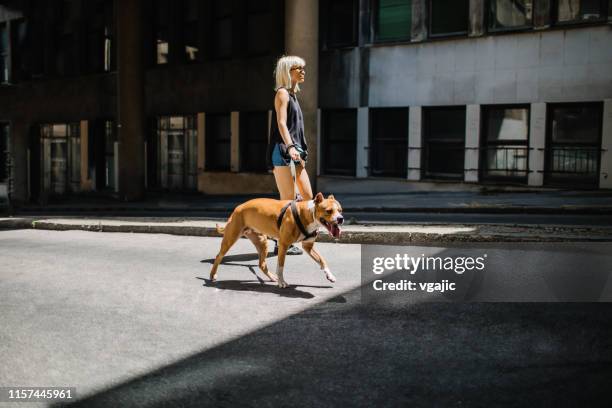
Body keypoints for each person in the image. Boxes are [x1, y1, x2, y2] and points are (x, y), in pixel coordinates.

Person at [266, 55, 313, 255]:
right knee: (287, 200)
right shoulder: (282, 94)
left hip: (295, 151)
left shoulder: (293, 95)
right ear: (288, 71)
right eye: (298, 68)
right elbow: (282, 123)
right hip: (284, 150)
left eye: (303, 68)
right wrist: (291, 146)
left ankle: (292, 233)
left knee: (307, 197)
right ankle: (281, 242)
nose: (303, 71)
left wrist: (298, 149)